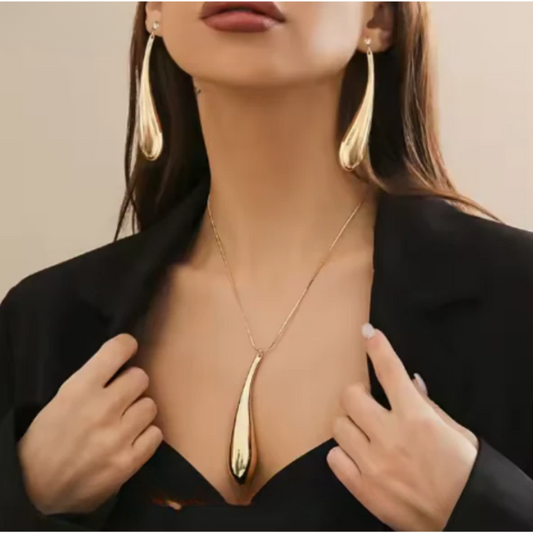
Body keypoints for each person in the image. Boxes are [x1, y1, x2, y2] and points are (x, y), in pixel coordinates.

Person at [1, 1, 533, 530]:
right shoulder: (43, 324)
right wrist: (21, 493)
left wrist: (482, 508)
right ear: (155, 9)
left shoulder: (516, 300)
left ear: (377, 19)